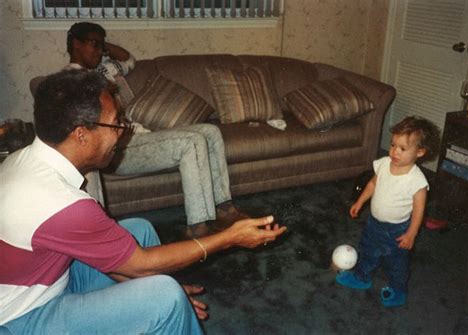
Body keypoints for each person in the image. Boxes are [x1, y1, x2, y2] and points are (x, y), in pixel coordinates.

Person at [0, 69, 286, 334]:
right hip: (22, 317)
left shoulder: (23, 160)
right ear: (81, 135)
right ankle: (165, 313)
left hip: (49, 279)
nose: (122, 132)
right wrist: (229, 237)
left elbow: (124, 261)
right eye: (115, 124)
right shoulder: (62, 203)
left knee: (138, 229)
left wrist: (145, 281)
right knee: (165, 297)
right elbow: (140, 264)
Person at [64, 21, 248, 237]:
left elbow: (129, 60)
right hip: (119, 149)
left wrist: (104, 47)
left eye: (100, 46)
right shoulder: (71, 80)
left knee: (210, 131)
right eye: (93, 44)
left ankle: (224, 208)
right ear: (76, 44)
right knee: (193, 142)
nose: (98, 50)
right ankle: (199, 227)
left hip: (141, 136)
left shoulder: (104, 69)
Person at [336, 116, 440, 307]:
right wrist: (360, 202)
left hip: (397, 230)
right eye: (393, 145)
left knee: (397, 262)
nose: (394, 151)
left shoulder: (416, 180)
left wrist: (411, 233)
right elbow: (373, 183)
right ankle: (361, 277)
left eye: (402, 148)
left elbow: (419, 210)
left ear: (420, 152)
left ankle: (398, 289)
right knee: (367, 250)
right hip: (374, 222)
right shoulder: (384, 163)